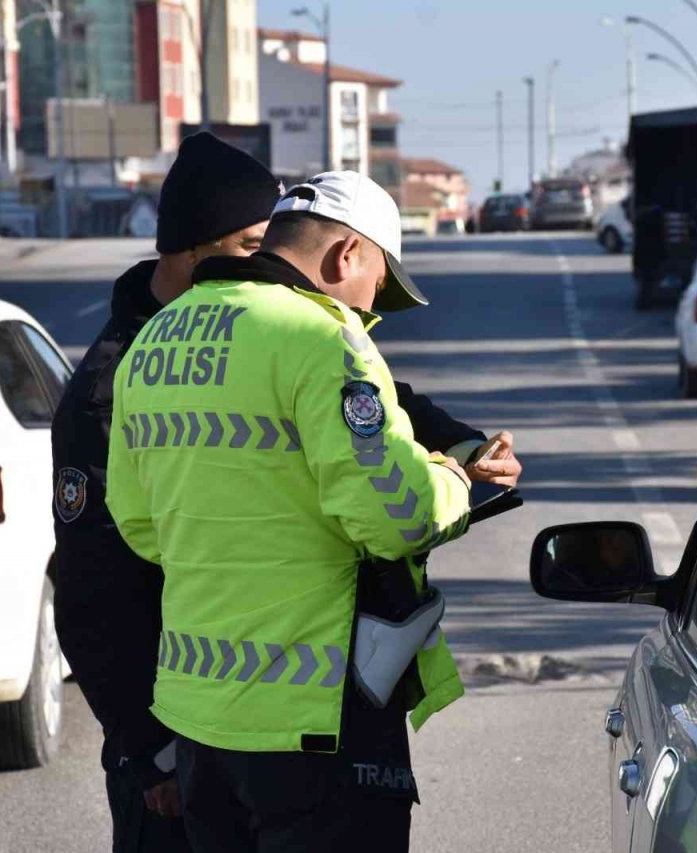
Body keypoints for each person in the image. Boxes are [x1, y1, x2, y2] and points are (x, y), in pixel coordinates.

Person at [105, 171, 488, 851]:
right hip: (313, 723)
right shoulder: (323, 338)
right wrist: (453, 479)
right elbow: (398, 515)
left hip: (201, 724)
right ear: (347, 255)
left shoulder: (153, 342)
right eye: (377, 287)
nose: (369, 310)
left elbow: (138, 524)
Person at [51, 131, 282, 852]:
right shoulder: (108, 387)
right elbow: (91, 586)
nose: (268, 265)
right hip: (167, 751)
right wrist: (149, 745)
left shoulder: (250, 335)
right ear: (190, 250)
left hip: (251, 723)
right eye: (250, 246)